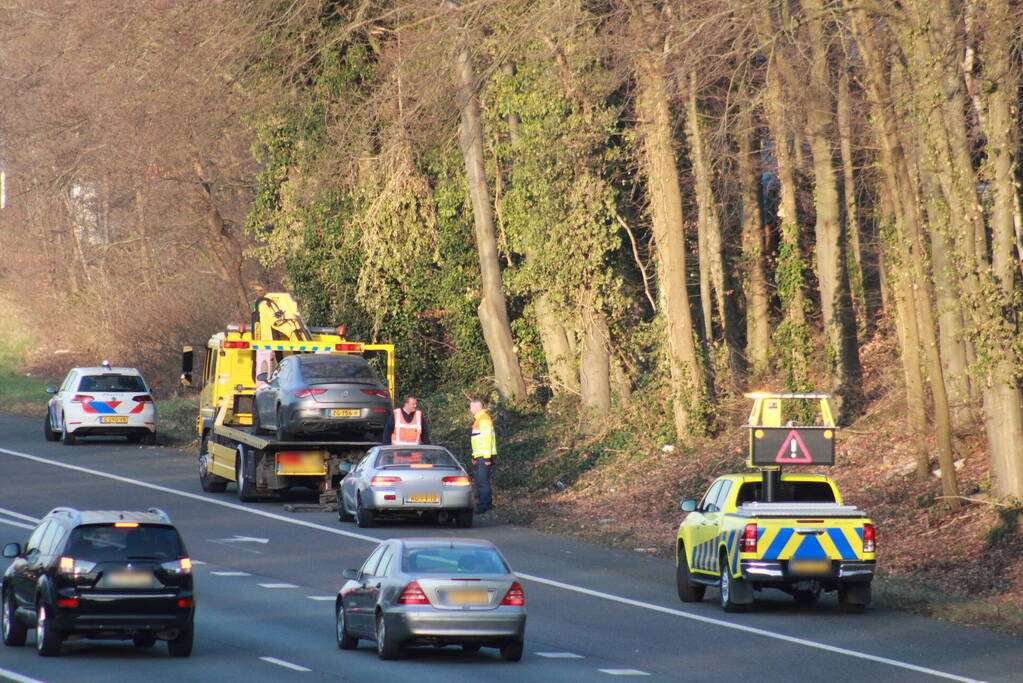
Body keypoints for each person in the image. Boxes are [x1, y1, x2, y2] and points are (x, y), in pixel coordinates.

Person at [469, 398, 496, 514]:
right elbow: (477, 441)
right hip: (480, 455)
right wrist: (475, 456)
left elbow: (487, 439)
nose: (470, 409)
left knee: (482, 481)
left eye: (471, 407)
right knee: (480, 480)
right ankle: (483, 503)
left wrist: (486, 457)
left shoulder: (483, 420)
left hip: (484, 456)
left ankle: (484, 504)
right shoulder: (479, 420)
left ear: (476, 407)